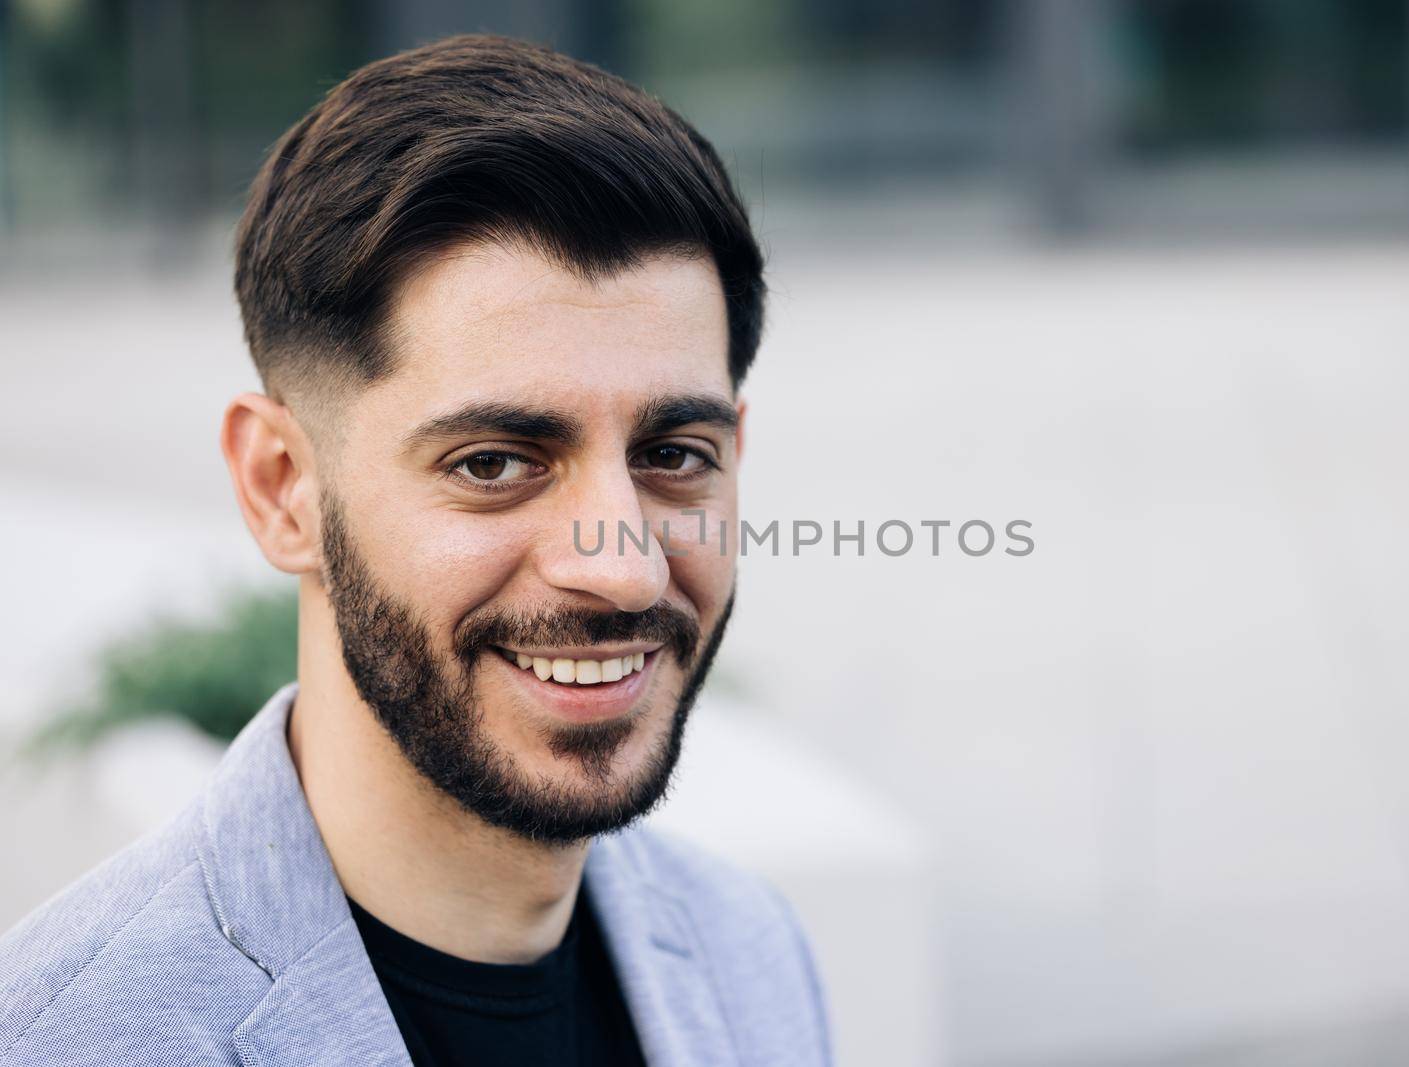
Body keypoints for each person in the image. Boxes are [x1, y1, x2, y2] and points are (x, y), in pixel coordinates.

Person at [0, 34, 830, 1067]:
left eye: (672, 452)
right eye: (493, 462)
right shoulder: (67, 1038)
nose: (623, 565)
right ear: (281, 487)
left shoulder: (751, 953)